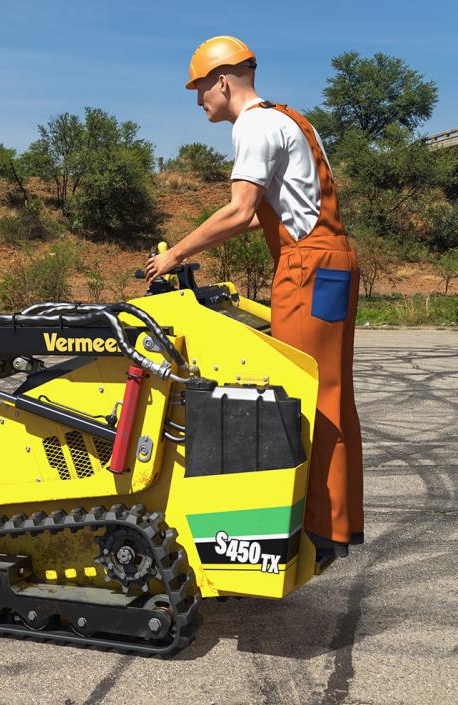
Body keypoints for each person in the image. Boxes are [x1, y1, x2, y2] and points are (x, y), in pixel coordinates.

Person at [145, 36, 363, 561]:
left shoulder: (256, 125)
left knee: (305, 391)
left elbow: (240, 211)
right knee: (328, 388)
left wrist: (173, 254)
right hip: (327, 263)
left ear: (223, 81)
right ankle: (335, 521)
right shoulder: (290, 119)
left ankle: (316, 528)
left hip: (307, 266)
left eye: (200, 89)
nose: (199, 101)